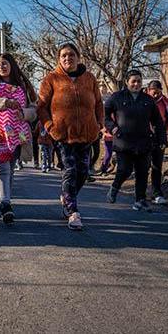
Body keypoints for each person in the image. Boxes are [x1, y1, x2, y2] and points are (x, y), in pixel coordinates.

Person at [37, 43, 103, 230]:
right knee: (70, 170)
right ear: (59, 59)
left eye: (71, 55)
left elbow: (98, 103)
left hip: (87, 134)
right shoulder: (51, 79)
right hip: (63, 135)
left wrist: (99, 124)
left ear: (78, 57)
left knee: (83, 171)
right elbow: (41, 107)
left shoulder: (89, 78)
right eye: (64, 55)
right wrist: (50, 126)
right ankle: (73, 212)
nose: (68, 58)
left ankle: (67, 196)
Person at [0, 53, 36, 224]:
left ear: (12, 65)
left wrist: (24, 114)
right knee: (2, 168)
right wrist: (4, 103)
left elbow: (34, 107)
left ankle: (7, 201)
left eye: (4, 63)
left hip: (18, 133)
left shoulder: (23, 84)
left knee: (10, 169)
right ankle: (5, 205)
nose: (1, 67)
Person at [105, 70, 166, 211]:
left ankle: (140, 200)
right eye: (133, 81)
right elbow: (105, 114)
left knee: (143, 171)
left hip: (143, 141)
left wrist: (161, 138)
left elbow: (157, 121)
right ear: (127, 82)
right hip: (123, 141)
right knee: (125, 170)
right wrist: (113, 128)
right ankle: (115, 187)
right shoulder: (117, 97)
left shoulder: (147, 100)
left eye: (139, 81)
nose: (136, 84)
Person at [146, 80, 168, 204]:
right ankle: (140, 193)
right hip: (144, 136)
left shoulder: (164, 102)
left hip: (160, 136)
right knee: (143, 166)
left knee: (157, 166)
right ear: (149, 90)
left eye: (158, 93)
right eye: (154, 92)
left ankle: (157, 193)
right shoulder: (143, 101)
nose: (156, 95)